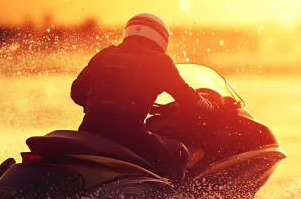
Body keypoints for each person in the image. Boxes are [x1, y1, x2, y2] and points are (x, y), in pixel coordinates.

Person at [70, 13, 221, 182]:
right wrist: (214, 107)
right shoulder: (159, 61)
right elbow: (189, 100)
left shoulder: (104, 55)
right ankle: (171, 198)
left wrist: (103, 105)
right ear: (161, 37)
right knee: (178, 152)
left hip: (89, 129)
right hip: (129, 134)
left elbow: (76, 93)